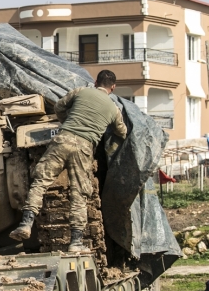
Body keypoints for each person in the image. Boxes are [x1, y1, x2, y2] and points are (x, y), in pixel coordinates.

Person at [9, 70, 127, 252]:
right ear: (113, 87)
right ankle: (76, 242)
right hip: (84, 148)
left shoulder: (80, 91)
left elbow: (59, 107)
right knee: (79, 193)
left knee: (40, 181)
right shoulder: (113, 109)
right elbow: (122, 131)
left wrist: (66, 122)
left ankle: (26, 223)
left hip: (62, 140)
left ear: (95, 81)